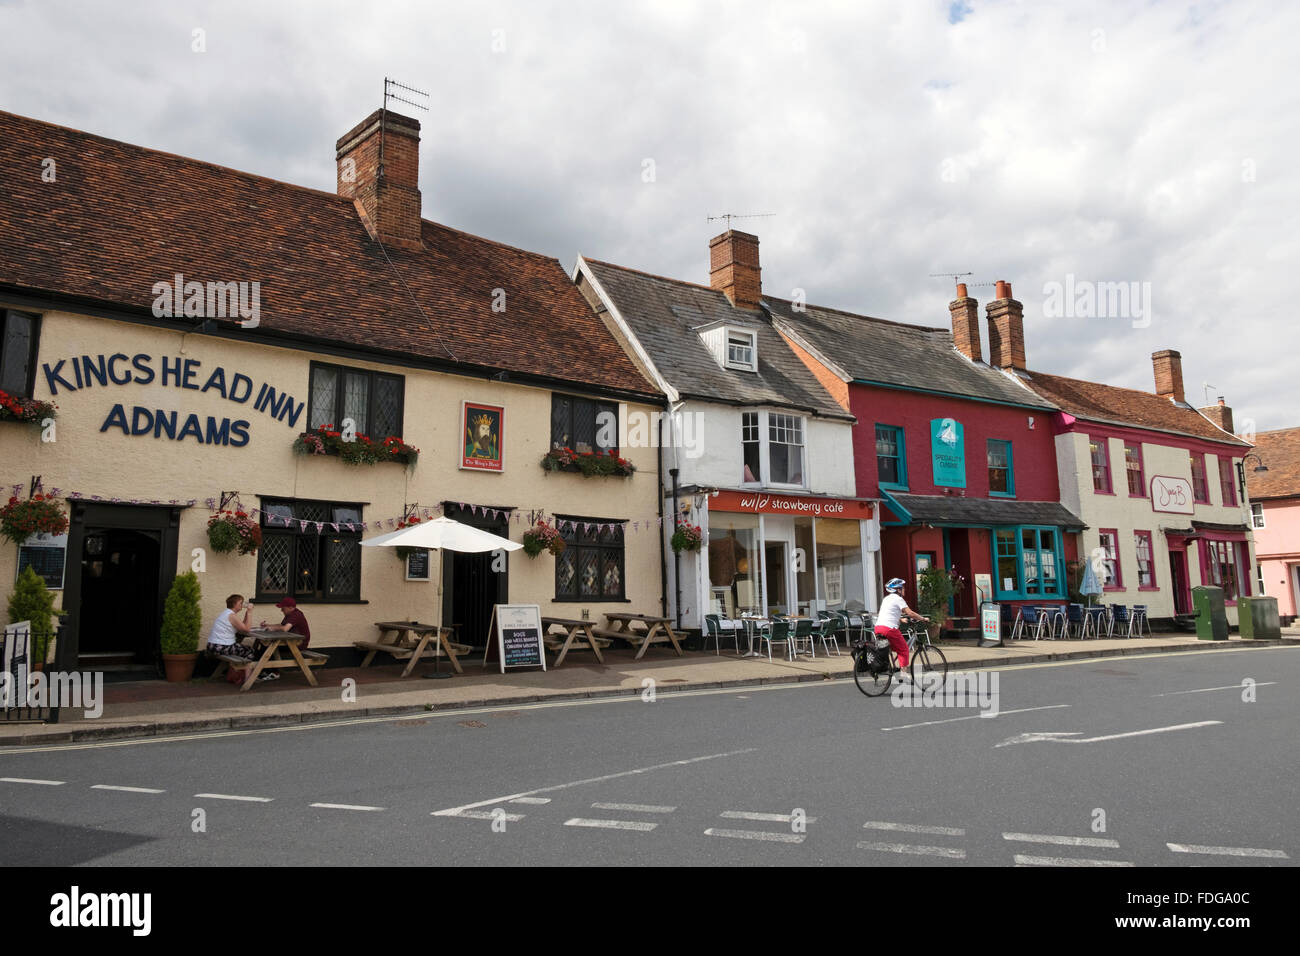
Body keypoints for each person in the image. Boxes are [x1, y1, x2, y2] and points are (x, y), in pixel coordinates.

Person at [874, 578, 928, 677]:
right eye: (902, 588)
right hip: (889, 629)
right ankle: (903, 675)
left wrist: (900, 619)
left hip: (878, 628)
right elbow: (910, 613)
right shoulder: (898, 599)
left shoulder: (886, 599)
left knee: (896, 648)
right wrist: (922, 618)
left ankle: (892, 667)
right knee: (904, 649)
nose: (904, 589)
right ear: (898, 590)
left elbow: (889, 613)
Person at [206, 594, 256, 661]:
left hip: (213, 645)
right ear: (234, 604)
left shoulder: (227, 613)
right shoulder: (231, 615)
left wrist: (247, 613)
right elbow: (247, 629)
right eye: (241, 603)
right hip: (220, 647)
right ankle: (244, 671)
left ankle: (237, 670)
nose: (242, 605)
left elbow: (242, 627)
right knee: (249, 651)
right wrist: (250, 613)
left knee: (247, 649)